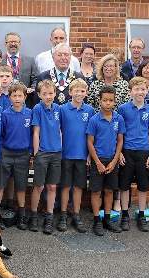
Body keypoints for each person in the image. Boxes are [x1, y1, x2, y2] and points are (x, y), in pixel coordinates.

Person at [117, 76, 149, 232]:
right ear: (130, 92)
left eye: (143, 89)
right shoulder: (123, 109)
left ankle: (141, 215)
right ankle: (125, 214)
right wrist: (119, 152)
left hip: (144, 152)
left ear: (147, 91)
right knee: (124, 185)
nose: (140, 92)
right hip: (127, 151)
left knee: (143, 186)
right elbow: (119, 132)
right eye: (137, 89)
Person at [86, 85, 125, 236]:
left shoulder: (118, 119)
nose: (107, 103)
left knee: (109, 191)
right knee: (96, 191)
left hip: (112, 161)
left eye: (111, 100)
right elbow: (89, 142)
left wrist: (115, 160)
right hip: (99, 160)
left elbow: (120, 140)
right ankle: (97, 220)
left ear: (115, 101)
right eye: (105, 100)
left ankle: (107, 219)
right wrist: (98, 162)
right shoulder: (94, 119)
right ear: (100, 101)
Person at [58, 78, 94, 233]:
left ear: (86, 93)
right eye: (76, 90)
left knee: (79, 186)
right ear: (70, 92)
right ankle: (63, 215)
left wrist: (89, 155)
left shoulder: (90, 111)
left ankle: (76, 214)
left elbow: (91, 135)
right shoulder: (62, 109)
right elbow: (58, 131)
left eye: (82, 91)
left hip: (82, 155)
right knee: (66, 186)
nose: (79, 93)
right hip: (66, 154)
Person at [0, 82, 32, 231]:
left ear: (25, 97)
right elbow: (1, 134)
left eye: (20, 95)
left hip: (23, 154)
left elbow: (32, 134)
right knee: (1, 184)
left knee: (21, 185)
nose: (17, 98)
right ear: (9, 97)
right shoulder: (5, 114)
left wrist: (30, 153)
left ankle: (22, 214)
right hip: (7, 152)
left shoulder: (30, 113)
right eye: (14, 95)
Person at [30, 79, 62, 234]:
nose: (48, 96)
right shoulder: (37, 108)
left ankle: (49, 216)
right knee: (39, 186)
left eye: (51, 93)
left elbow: (60, 130)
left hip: (56, 152)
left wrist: (60, 147)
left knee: (52, 186)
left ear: (55, 94)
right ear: (39, 95)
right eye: (45, 94)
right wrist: (36, 153)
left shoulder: (58, 109)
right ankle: (34, 215)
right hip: (42, 153)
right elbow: (36, 131)